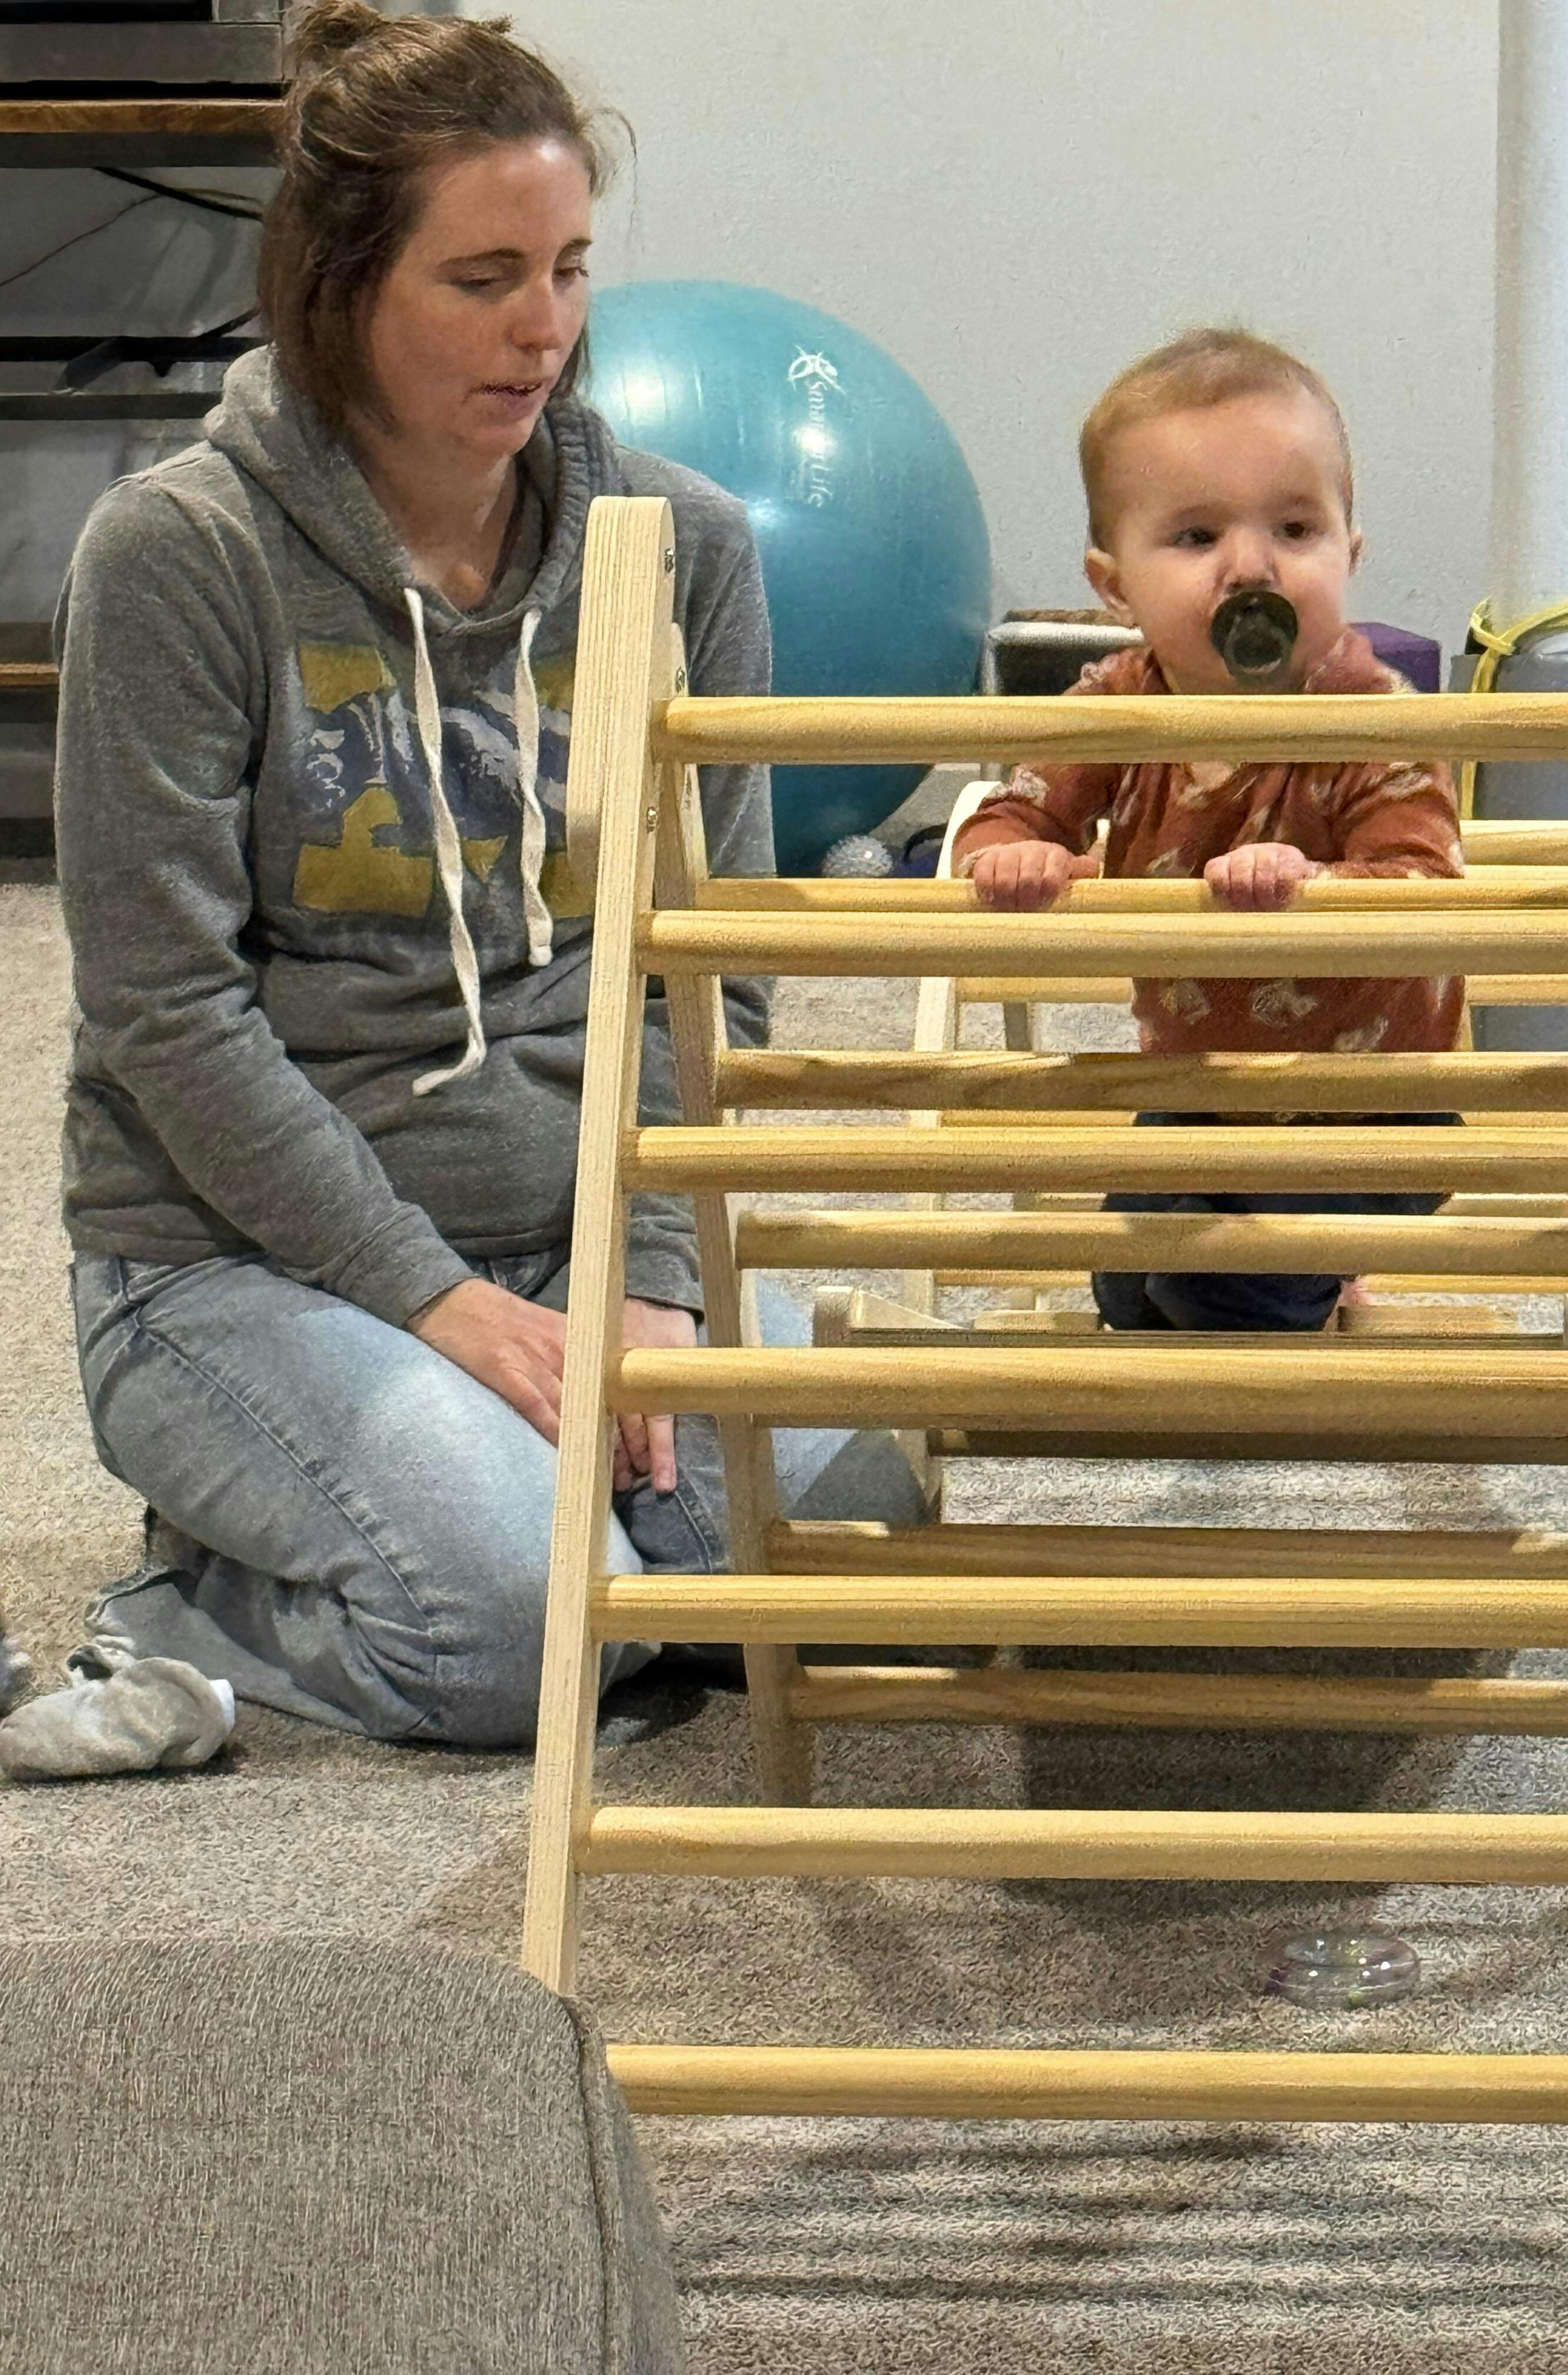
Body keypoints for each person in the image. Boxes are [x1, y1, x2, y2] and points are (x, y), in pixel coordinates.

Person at [48, 1, 923, 1757]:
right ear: (339, 289)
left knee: (858, 1551)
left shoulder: (683, 548)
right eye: (484, 278)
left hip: (578, 1237)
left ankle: (487, 1513)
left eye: (572, 269)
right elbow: (167, 1012)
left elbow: (706, 968)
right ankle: (189, 1592)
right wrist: (442, 1306)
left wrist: (655, 1276)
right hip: (236, 1268)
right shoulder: (178, 554)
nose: (547, 329)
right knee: (527, 1635)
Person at [951, 327, 1464, 1335]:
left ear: (1349, 554)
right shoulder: (1120, 703)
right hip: (1198, 1089)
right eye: (1196, 538)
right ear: (1114, 585)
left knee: (1224, 1295)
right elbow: (1012, 812)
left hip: (1368, 1109)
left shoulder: (1374, 719)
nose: (1251, 568)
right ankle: (1297, 1274)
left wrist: (1314, 885)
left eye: (1295, 529)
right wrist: (1012, 854)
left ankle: (1321, 1276)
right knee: (1123, 1284)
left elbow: (1423, 881)